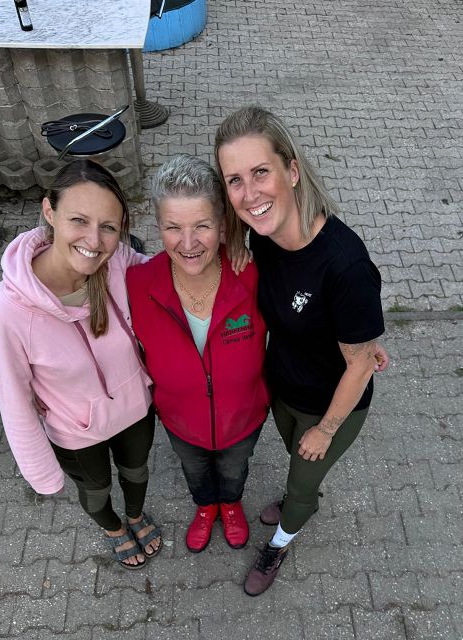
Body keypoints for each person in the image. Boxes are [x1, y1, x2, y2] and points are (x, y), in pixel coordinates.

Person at [215, 106, 387, 596]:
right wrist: (237, 242)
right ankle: (298, 494)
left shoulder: (344, 264)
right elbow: (234, 222)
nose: (250, 194)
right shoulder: (265, 236)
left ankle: (283, 538)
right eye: (235, 180)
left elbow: (360, 364)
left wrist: (326, 429)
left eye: (261, 172)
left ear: (292, 171)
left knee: (303, 481)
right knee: (297, 462)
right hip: (284, 389)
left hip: (330, 406)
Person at [0, 160, 161, 570]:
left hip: (135, 408)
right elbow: (14, 402)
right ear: (49, 211)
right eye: (79, 220)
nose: (94, 241)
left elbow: (161, 272)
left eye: (108, 227)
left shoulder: (116, 262)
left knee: (137, 472)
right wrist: (42, 474)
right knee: (96, 491)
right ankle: (114, 528)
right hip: (77, 434)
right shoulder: (5, 313)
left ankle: (135, 515)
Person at [126, 155, 270, 553]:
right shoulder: (136, 284)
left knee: (234, 469)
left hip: (243, 419)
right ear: (158, 227)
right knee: (194, 470)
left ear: (222, 225)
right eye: (173, 227)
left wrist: (356, 341)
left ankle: (231, 504)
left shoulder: (252, 276)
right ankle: (206, 507)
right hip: (180, 422)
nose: (188, 244)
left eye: (202, 226)